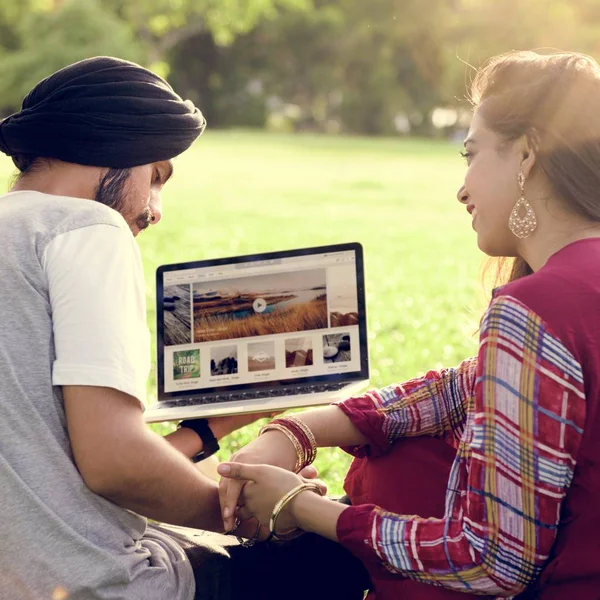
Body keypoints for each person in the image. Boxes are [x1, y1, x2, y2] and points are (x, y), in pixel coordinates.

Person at [218, 50, 600, 599]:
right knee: (413, 451)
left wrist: (298, 505)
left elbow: (492, 562)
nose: (463, 189)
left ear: (526, 154)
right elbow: (461, 390)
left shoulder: (539, 305)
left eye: (471, 155)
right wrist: (298, 430)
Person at [0, 57, 370, 600]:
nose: (154, 210)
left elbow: (47, 468)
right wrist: (258, 514)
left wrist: (207, 430)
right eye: (156, 177)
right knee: (338, 556)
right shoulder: (86, 227)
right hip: (96, 583)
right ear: (116, 144)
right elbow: (113, 465)